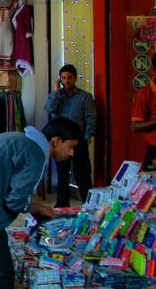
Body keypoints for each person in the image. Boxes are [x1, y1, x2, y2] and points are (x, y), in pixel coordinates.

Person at [0, 117, 82, 289]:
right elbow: (15, 201)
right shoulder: (35, 153)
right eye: (70, 147)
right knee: (1, 271)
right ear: (55, 142)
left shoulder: (23, 140)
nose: (71, 154)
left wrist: (33, 207)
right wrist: (36, 207)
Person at [44, 64, 96, 207]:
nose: (67, 81)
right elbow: (49, 109)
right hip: (60, 141)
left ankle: (89, 202)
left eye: (70, 78)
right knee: (62, 173)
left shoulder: (85, 97)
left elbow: (90, 119)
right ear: (60, 80)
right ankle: (62, 203)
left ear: (75, 78)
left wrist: (86, 138)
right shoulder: (57, 96)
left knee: (82, 173)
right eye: (64, 78)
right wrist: (55, 92)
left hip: (78, 140)